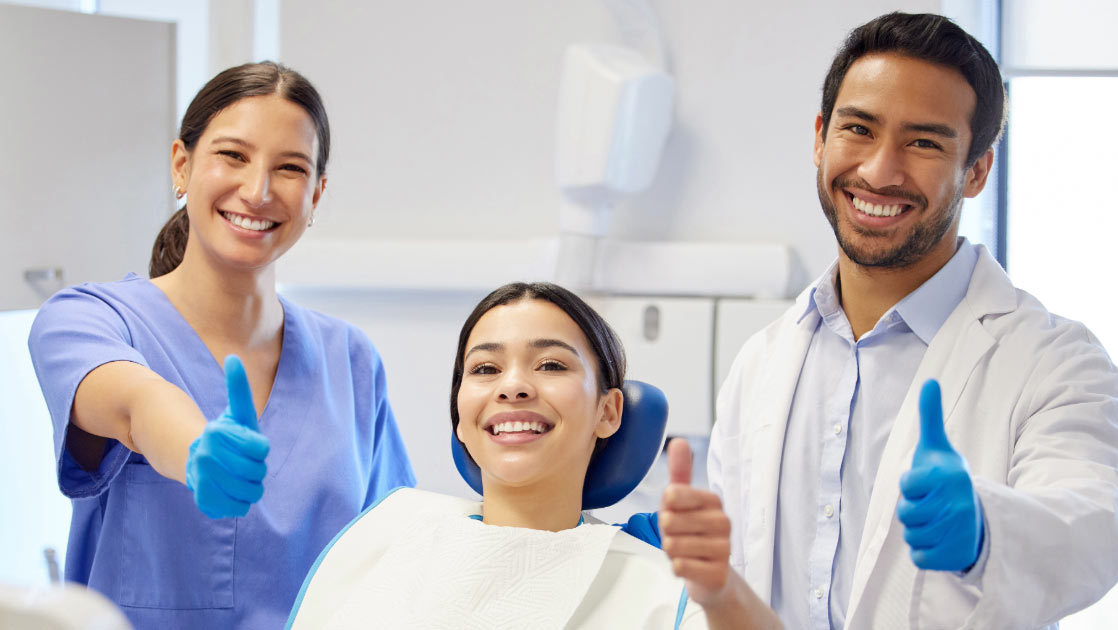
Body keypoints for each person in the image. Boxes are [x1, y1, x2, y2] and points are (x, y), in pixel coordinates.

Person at [706, 12, 1118, 630]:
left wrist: (985, 531)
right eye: (858, 129)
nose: (880, 171)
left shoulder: (1055, 362)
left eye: (924, 143)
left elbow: (1099, 522)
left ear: (977, 171)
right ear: (819, 137)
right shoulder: (763, 361)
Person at [27, 62, 416, 629]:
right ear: (181, 166)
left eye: (289, 168)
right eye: (233, 156)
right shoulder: (88, 320)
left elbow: (395, 552)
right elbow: (138, 402)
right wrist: (192, 450)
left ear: (316, 195)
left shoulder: (351, 361)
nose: (257, 191)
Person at [287, 282, 780, 629]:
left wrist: (722, 593)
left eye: (550, 364)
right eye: (484, 368)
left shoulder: (659, 591)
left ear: (609, 411)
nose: (514, 386)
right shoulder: (384, 538)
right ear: (460, 417)